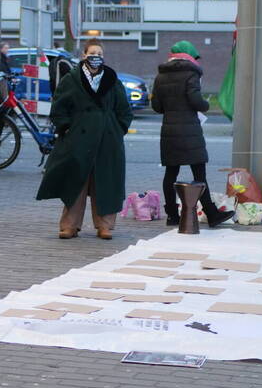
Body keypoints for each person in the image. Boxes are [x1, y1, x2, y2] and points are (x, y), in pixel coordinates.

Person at [37, 41, 132, 240]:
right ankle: (69, 225)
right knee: (76, 182)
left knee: (105, 182)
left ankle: (105, 226)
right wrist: (67, 128)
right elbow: (59, 107)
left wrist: (116, 130)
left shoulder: (112, 79)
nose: (96, 56)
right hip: (78, 139)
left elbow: (123, 109)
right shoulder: (72, 79)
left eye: (99, 53)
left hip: (107, 140)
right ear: (84, 55)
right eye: (92, 53)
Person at [151, 40, 235, 228]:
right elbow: (196, 101)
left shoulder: (160, 77)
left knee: (170, 173)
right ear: (189, 57)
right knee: (199, 174)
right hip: (190, 130)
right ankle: (211, 214)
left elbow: (156, 107)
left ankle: (172, 215)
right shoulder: (191, 74)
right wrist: (205, 105)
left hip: (169, 131)